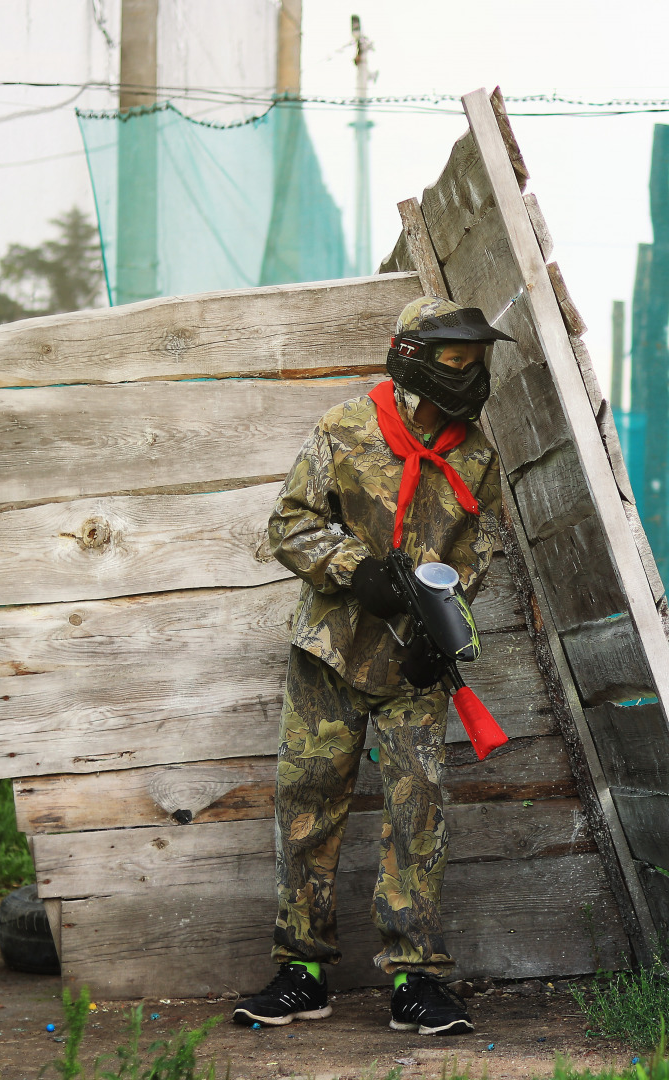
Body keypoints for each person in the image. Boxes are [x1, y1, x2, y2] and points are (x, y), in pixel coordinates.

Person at [231, 297, 515, 1035]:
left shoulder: (475, 456)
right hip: (329, 652)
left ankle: (414, 981)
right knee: (307, 806)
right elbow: (289, 523)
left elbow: (476, 557)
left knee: (416, 813)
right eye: (456, 365)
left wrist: (441, 631)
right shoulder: (345, 429)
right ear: (413, 359)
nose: (470, 377)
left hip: (414, 670)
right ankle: (303, 973)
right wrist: (355, 569)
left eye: (477, 365)